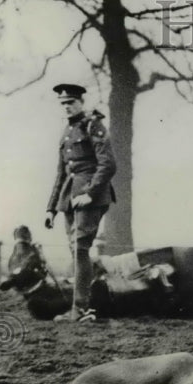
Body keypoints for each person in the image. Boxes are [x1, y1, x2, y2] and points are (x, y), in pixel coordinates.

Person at [45, 83, 116, 322]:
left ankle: (81, 309)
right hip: (70, 198)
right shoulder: (67, 132)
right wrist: (51, 208)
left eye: (71, 103)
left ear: (81, 103)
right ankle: (90, 300)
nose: (66, 107)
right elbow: (61, 173)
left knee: (79, 248)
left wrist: (90, 194)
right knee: (76, 251)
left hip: (90, 197)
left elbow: (108, 164)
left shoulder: (92, 125)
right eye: (63, 104)